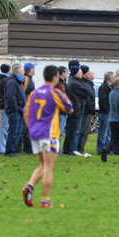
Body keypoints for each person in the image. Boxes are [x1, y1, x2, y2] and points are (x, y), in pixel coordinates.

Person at [22, 65, 74, 208]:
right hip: (49, 134)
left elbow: (26, 113)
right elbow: (69, 108)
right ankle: (45, 200)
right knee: (49, 167)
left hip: (35, 134)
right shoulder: (54, 93)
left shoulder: (34, 93)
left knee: (44, 165)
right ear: (55, 77)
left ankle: (29, 186)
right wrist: (63, 93)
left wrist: (31, 128)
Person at [62, 65, 87, 156]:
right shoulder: (74, 83)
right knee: (72, 131)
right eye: (80, 72)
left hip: (78, 108)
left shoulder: (76, 81)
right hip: (75, 109)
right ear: (75, 73)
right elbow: (85, 92)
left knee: (75, 130)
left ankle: (72, 148)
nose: (81, 74)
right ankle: (69, 149)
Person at [5, 64, 27, 157]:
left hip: (19, 110)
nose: (24, 73)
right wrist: (17, 108)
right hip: (15, 111)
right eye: (23, 71)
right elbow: (11, 98)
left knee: (18, 132)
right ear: (18, 72)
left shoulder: (18, 82)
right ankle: (10, 151)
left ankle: (13, 150)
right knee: (13, 131)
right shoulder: (12, 83)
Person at [78, 66, 95, 156]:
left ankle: (81, 148)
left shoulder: (89, 83)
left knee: (85, 131)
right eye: (90, 72)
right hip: (86, 110)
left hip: (88, 110)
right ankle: (80, 149)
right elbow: (87, 98)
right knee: (83, 131)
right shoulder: (84, 84)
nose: (92, 74)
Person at [20, 63, 36, 154]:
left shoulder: (30, 79)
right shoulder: (26, 79)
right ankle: (27, 147)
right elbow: (24, 92)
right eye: (33, 68)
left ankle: (29, 147)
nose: (34, 70)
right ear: (30, 69)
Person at [0, 64, 11, 155]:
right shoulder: (6, 81)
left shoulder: (2, 80)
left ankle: (2, 146)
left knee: (5, 126)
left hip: (2, 105)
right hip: (4, 106)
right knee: (4, 127)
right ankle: (1, 148)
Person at [97, 71, 114, 155]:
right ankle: (101, 149)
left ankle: (107, 149)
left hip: (110, 112)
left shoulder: (111, 87)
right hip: (105, 113)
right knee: (103, 132)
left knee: (108, 133)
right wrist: (107, 110)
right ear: (110, 78)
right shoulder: (103, 87)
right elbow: (103, 101)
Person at [56, 66, 69, 142]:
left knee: (61, 131)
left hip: (64, 110)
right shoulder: (58, 84)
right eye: (66, 72)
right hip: (59, 111)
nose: (67, 74)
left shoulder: (63, 83)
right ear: (62, 73)